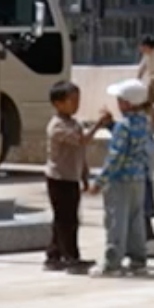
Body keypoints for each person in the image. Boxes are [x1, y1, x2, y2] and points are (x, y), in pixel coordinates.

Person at [97, 79, 154, 276]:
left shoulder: (123, 126)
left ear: (127, 103)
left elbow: (116, 156)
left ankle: (112, 262)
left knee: (116, 220)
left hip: (120, 179)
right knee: (135, 220)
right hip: (138, 178)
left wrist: (100, 180)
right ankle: (138, 260)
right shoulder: (145, 122)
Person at [41, 79, 95, 274]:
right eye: (72, 100)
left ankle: (54, 255)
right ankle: (71, 257)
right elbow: (82, 141)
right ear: (58, 103)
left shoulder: (74, 124)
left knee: (66, 218)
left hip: (71, 177)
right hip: (59, 178)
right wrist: (100, 124)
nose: (76, 104)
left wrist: (85, 175)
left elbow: (80, 152)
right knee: (66, 220)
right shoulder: (57, 126)